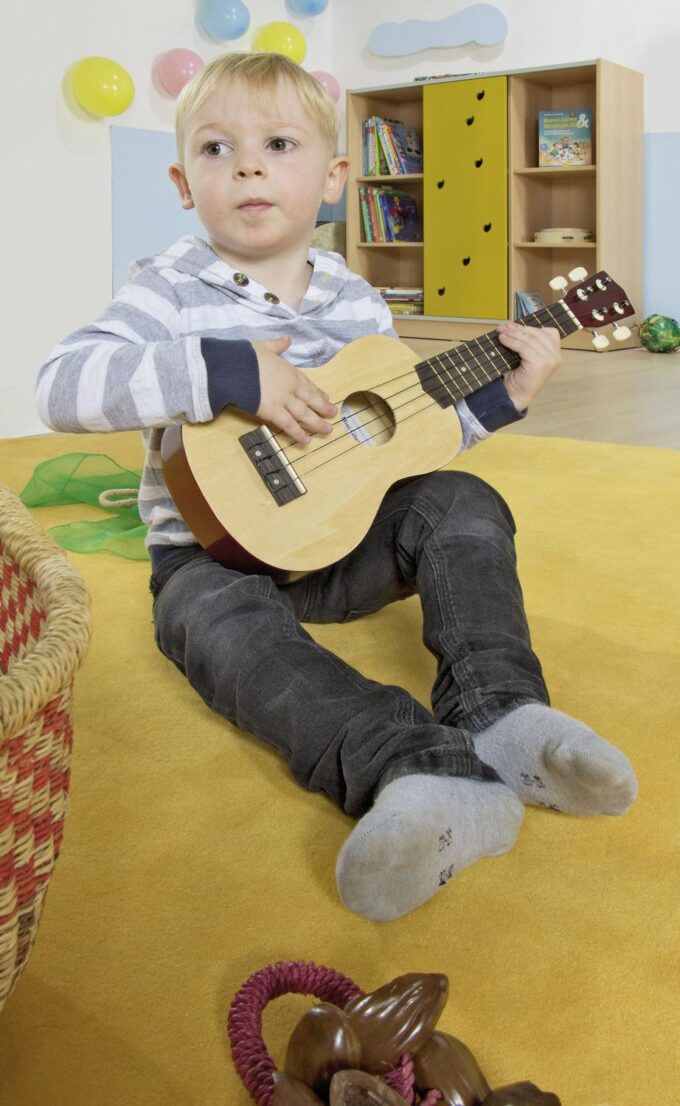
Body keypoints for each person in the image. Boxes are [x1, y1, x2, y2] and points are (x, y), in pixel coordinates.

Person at [37, 52, 638, 922]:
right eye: (217, 148)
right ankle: (421, 771)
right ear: (183, 183)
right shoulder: (167, 289)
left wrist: (498, 401)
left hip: (338, 547)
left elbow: (395, 442)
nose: (247, 167)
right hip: (213, 558)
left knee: (464, 502)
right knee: (207, 624)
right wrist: (229, 371)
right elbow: (61, 386)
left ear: (333, 179)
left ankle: (504, 713)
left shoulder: (358, 302)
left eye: (279, 144)